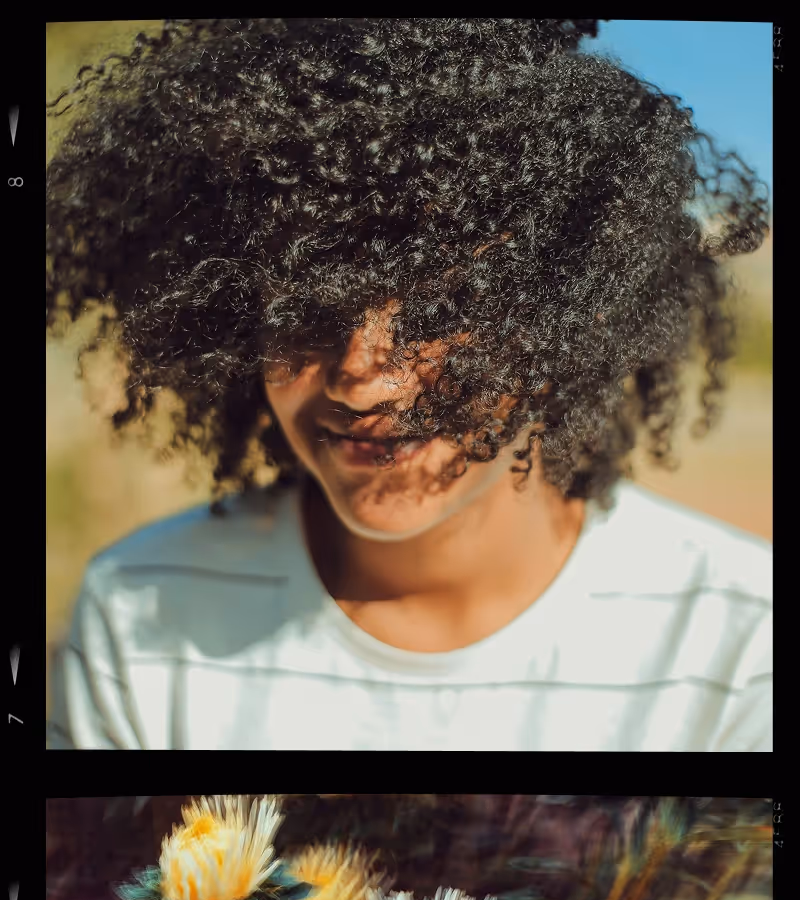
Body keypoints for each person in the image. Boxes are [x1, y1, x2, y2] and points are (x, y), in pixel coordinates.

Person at [46, 18, 772, 751]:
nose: (361, 378)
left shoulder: (739, 643)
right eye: (306, 304)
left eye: (441, 309)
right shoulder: (141, 617)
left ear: (576, 310)